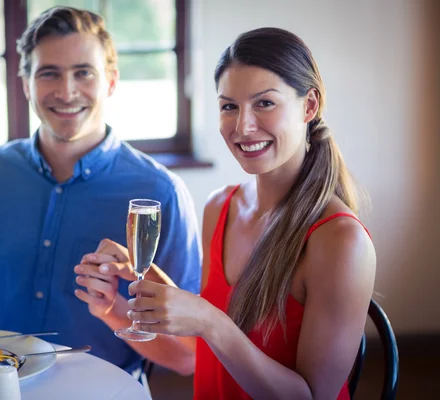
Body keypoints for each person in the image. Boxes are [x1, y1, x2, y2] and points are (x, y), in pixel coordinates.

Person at [0, 6, 201, 376]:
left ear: (111, 82)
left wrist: (113, 309)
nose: (67, 92)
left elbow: (187, 359)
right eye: (49, 73)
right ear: (25, 84)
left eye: (83, 73)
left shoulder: (159, 193)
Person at [75, 27, 376, 399]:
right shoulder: (220, 206)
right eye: (229, 106)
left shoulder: (341, 240)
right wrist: (124, 296)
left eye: (264, 103)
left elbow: (311, 396)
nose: (243, 126)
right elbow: (204, 349)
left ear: (309, 106)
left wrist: (209, 321)